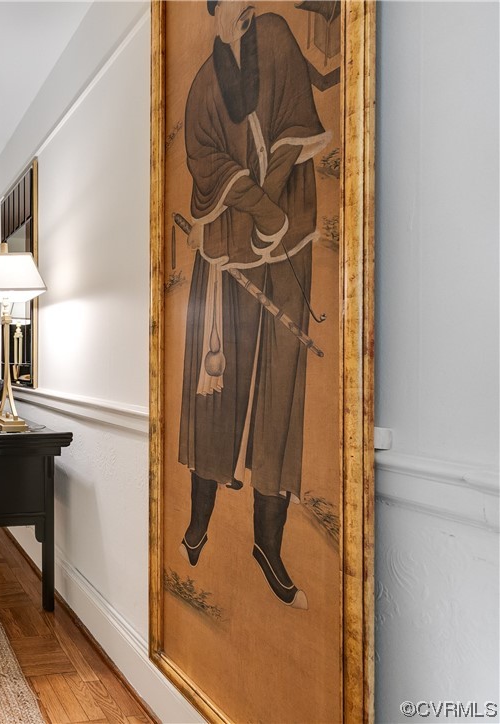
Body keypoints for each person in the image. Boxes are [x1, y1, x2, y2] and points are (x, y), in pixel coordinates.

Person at [177, 0, 336, 610]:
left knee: (281, 395)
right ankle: (198, 520)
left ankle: (267, 542)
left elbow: (298, 116)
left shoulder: (275, 36)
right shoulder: (198, 90)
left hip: (288, 246)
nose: (244, 6)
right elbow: (206, 163)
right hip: (225, 259)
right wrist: (258, 208)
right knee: (213, 391)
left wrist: (276, 209)